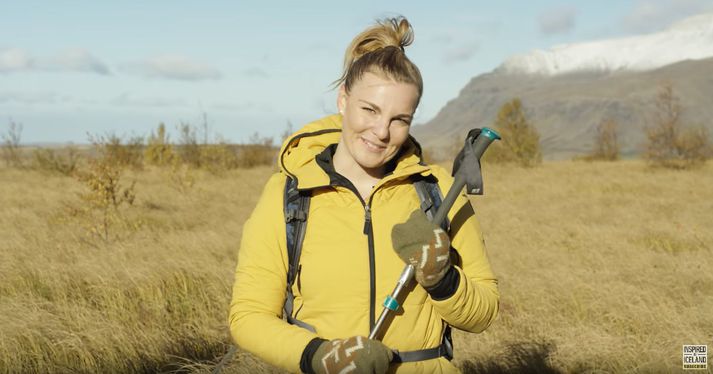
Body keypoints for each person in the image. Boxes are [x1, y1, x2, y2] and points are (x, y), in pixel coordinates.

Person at [229, 16, 499, 374]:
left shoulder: (438, 192)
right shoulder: (290, 194)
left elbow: (484, 314)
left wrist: (441, 276)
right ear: (343, 100)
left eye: (399, 119)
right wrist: (321, 356)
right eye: (369, 109)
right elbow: (248, 316)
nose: (381, 131)